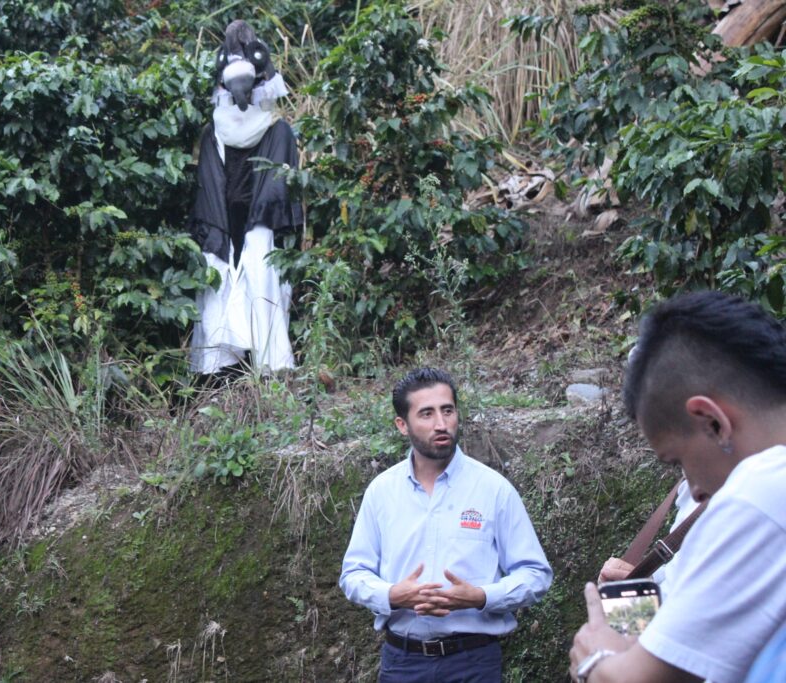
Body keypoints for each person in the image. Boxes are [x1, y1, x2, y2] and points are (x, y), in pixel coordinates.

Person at [569, 291, 786, 683]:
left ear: (713, 421)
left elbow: (636, 680)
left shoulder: (761, 489)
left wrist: (594, 657)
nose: (694, 490)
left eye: (678, 461)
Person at [340, 367, 553, 682]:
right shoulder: (382, 492)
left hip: (474, 662)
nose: (441, 424)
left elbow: (535, 575)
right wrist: (392, 594)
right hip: (402, 663)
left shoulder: (493, 489)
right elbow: (353, 574)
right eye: (426, 414)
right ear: (403, 424)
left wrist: (481, 597)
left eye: (447, 411)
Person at [188, 20, 304, 375]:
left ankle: (268, 364)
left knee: (261, 273)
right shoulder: (214, 131)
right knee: (219, 279)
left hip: (260, 222)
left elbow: (281, 186)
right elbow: (207, 183)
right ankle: (222, 366)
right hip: (224, 219)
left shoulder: (277, 128)